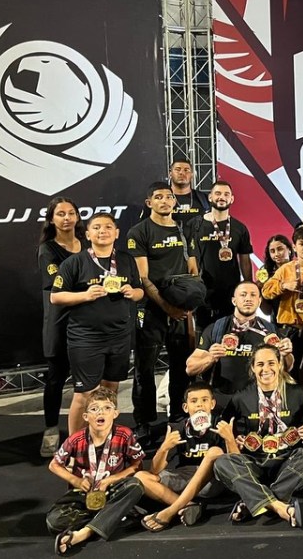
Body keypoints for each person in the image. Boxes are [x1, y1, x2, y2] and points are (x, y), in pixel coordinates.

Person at [50, 213, 144, 434]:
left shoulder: (126, 260)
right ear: (88, 234)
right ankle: (74, 445)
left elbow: (140, 290)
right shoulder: (75, 262)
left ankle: (104, 439)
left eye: (108, 227)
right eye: (97, 227)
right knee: (85, 394)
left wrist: (133, 292)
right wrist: (85, 295)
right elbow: (55, 297)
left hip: (119, 336)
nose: (103, 231)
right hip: (86, 338)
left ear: (117, 233)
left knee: (110, 390)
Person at [215, 345, 303, 526]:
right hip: (254, 462)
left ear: (280, 364)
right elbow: (226, 428)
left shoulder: (298, 393)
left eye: (271, 363)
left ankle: (254, 500)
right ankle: (278, 506)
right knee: (222, 463)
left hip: (286, 461)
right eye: (260, 364)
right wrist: (234, 439)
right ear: (253, 368)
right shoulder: (241, 397)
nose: (266, 369)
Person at [127, 182, 199, 444]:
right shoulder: (139, 232)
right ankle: (144, 422)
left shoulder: (184, 229)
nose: (165, 201)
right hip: (151, 311)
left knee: (181, 367)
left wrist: (190, 300)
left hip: (181, 311)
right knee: (144, 370)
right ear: (149, 203)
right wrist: (167, 307)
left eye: (169, 197)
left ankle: (177, 416)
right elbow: (143, 278)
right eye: (158, 197)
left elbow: (193, 270)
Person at [46, 388, 144, 556]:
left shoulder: (124, 435)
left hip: (112, 491)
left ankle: (84, 533)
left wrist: (112, 479)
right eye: (94, 409)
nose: (101, 412)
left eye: (107, 408)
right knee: (53, 521)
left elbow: (137, 464)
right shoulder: (76, 439)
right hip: (83, 494)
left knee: (135, 485)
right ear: (86, 416)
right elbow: (54, 465)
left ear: (115, 413)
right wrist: (76, 481)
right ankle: (111, 518)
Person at [136, 381, 234, 531]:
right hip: (185, 476)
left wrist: (230, 439)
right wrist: (164, 448)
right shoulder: (177, 428)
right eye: (194, 401)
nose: (199, 405)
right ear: (185, 407)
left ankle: (171, 510)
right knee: (141, 477)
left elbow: (237, 464)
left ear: (212, 404)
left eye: (204, 400)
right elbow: (155, 471)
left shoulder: (221, 425)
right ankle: (188, 505)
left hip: (211, 481)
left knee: (215, 451)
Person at [187, 281, 293, 407]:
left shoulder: (270, 330)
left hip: (256, 401)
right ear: (234, 301)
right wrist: (210, 358)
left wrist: (286, 354)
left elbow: (287, 367)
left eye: (253, 295)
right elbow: (190, 368)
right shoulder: (216, 328)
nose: (248, 299)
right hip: (221, 399)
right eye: (243, 295)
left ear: (259, 301)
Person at [37, 197, 86, 456]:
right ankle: (51, 429)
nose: (66, 218)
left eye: (71, 213)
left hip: (88, 322)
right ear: (51, 219)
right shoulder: (47, 249)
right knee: (55, 378)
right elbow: (59, 282)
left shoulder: (88, 244)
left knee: (88, 380)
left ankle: (88, 430)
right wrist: (89, 284)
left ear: (77, 217)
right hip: (58, 322)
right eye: (60, 214)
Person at [262, 227, 303, 393]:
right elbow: (266, 291)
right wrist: (283, 286)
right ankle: (291, 404)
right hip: (289, 329)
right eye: (301, 243)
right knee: (289, 371)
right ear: (294, 247)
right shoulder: (285, 269)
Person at [185, 180, 253, 329]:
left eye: (226, 194)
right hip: (204, 294)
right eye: (218, 193)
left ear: (232, 199)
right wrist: (194, 289)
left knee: (229, 337)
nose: (222, 197)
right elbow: (191, 259)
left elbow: (245, 260)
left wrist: (249, 287)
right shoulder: (195, 225)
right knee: (204, 336)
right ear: (210, 197)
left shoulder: (240, 228)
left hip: (231, 294)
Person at [256, 234, 293, 319]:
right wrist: (260, 291)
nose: (276, 254)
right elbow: (267, 312)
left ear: (289, 249)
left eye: (280, 249)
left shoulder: (299, 269)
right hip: (277, 322)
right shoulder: (266, 275)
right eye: (272, 251)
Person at [168, 159, 209, 228]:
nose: (182, 173)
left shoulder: (204, 199)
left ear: (192, 175)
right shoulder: (161, 199)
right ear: (170, 174)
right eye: (177, 169)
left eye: (186, 170)